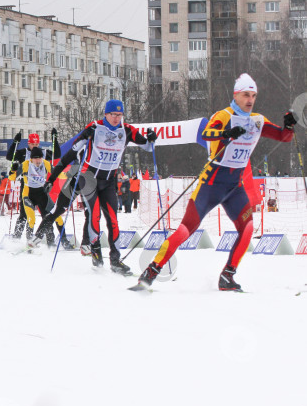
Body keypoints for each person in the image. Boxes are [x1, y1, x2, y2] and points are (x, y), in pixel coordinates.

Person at [133, 73, 295, 292]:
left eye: (253, 95)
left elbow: (282, 137)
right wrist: (227, 133)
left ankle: (227, 276)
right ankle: (151, 271)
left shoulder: (257, 120)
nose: (250, 100)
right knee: (184, 230)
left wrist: (289, 126)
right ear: (236, 95)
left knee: (247, 229)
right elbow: (208, 133)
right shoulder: (224, 115)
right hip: (210, 185)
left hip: (234, 188)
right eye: (246, 95)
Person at [62, 100, 156, 274]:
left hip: (109, 181)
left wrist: (151, 138)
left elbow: (148, 147)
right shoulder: (95, 127)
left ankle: (115, 259)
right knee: (94, 215)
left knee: (113, 220)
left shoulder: (127, 130)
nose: (116, 118)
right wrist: (84, 137)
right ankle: (95, 250)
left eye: (119, 115)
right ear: (106, 114)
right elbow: (75, 147)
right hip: (89, 178)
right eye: (113, 114)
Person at [11, 148, 74, 249]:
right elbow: (11, 177)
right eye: (35, 158)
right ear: (31, 159)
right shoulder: (26, 164)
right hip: (28, 195)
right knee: (31, 219)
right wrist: (13, 170)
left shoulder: (45, 163)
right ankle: (29, 243)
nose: (38, 161)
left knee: (56, 217)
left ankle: (62, 242)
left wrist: (69, 174)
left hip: (42, 194)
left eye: (40, 158)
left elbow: (58, 174)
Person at [6, 132, 41, 239]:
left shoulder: (41, 153)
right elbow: (9, 156)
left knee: (41, 213)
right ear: (29, 144)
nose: (34, 147)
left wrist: (55, 140)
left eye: (36, 145)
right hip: (25, 184)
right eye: (32, 145)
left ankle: (38, 237)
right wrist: (15, 142)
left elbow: (56, 155)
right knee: (24, 212)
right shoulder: (23, 152)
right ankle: (17, 236)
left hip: (39, 185)